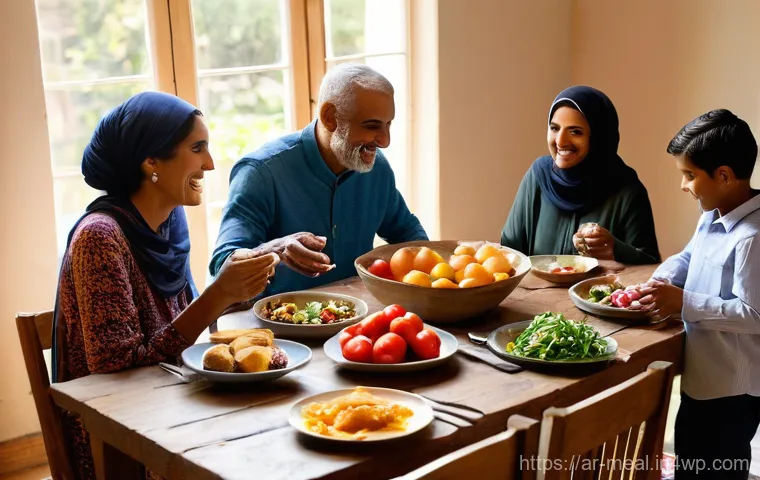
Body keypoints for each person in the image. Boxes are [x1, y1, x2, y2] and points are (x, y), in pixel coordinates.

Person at [51, 91, 279, 479]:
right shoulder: (99, 238)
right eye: (197, 148)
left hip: (174, 404)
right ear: (151, 161)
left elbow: (178, 323)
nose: (209, 164)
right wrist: (219, 294)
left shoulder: (170, 221)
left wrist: (250, 275)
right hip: (120, 441)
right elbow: (117, 370)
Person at [209, 63, 428, 295]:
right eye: (371, 125)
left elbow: (409, 235)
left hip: (360, 322)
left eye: (388, 124)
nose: (385, 141)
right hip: (277, 325)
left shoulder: (377, 168)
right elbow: (222, 265)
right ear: (330, 117)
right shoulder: (260, 173)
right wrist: (276, 249)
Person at [633, 109, 760, 480]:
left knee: (719, 467)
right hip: (703, 377)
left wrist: (683, 302)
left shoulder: (752, 237)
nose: (683, 186)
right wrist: (661, 282)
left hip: (732, 388)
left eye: (689, 176)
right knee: (691, 457)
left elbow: (754, 313)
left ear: (723, 175)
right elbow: (689, 256)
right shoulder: (713, 212)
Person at [500, 86, 660, 264]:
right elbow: (509, 252)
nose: (561, 141)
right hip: (535, 292)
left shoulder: (626, 189)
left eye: (575, 131)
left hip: (597, 293)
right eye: (554, 128)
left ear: (599, 137)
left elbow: (650, 266)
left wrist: (615, 248)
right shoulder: (538, 177)